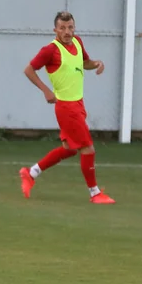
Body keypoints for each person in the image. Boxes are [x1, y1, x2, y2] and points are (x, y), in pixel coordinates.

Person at [19, 11, 115, 204]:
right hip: (66, 107)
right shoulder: (50, 50)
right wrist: (46, 90)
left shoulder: (78, 41)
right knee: (88, 148)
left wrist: (96, 63)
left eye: (70, 27)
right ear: (55, 30)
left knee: (70, 149)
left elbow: (84, 63)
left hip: (78, 103)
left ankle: (31, 172)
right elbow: (29, 70)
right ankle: (95, 193)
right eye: (62, 28)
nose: (67, 31)